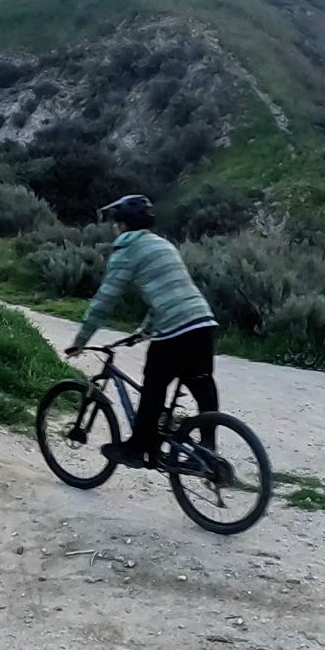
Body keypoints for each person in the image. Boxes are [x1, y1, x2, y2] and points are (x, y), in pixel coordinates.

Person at [65, 194, 219, 468]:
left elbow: (105, 300)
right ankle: (208, 448)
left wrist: (81, 341)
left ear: (122, 225)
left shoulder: (126, 249)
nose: (115, 229)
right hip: (203, 321)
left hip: (176, 331)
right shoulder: (162, 245)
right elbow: (166, 293)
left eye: (116, 224)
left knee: (153, 387)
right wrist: (147, 329)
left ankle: (137, 449)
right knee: (201, 381)